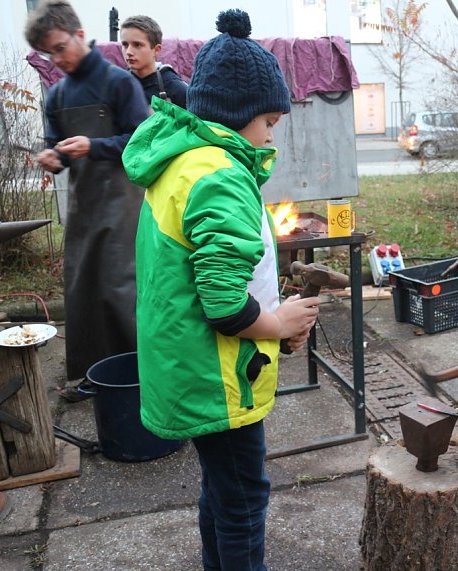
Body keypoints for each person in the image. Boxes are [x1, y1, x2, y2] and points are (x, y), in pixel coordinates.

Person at [121, 9, 319, 570]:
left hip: (188, 361)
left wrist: (276, 322)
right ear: (238, 116)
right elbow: (225, 302)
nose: (270, 135)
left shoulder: (185, 161)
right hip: (216, 373)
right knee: (242, 497)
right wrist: (277, 325)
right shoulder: (222, 176)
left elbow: (214, 271)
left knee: (222, 487)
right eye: (269, 123)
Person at [25, 0, 149, 402]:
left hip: (124, 201)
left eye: (60, 47)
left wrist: (95, 146)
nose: (56, 59)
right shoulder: (57, 94)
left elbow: (144, 141)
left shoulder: (119, 83)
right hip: (83, 204)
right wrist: (52, 157)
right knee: (82, 287)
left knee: (121, 287)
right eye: (49, 53)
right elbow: (54, 146)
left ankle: (143, 374)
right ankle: (91, 376)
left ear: (80, 35)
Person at [120, 15, 188, 107]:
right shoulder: (118, 85)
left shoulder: (176, 89)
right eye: (125, 45)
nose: (129, 52)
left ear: (156, 49)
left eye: (137, 45)